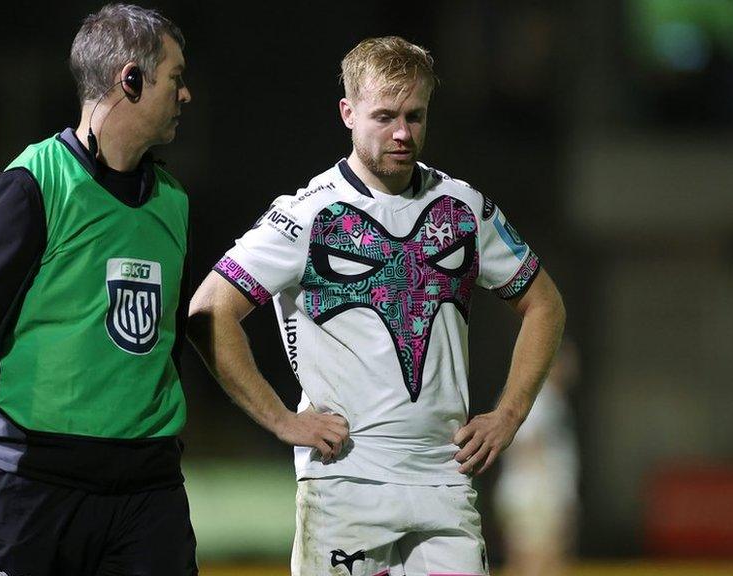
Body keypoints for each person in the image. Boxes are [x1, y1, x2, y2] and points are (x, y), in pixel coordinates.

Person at [188, 36, 566, 576]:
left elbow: (545, 304)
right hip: (345, 485)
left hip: (445, 482)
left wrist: (509, 416)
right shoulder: (307, 215)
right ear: (347, 113)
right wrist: (278, 420)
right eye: (384, 116)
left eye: (415, 116)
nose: (402, 133)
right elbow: (208, 311)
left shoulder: (464, 209)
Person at [0, 4, 197, 574]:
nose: (186, 95)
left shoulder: (175, 201)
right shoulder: (30, 185)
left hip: (148, 490)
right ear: (130, 80)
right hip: (31, 488)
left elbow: (163, 342)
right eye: (176, 78)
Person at [494, 338, 580, 576]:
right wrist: (550, 495)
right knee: (538, 564)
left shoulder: (552, 399)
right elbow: (524, 445)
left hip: (534, 495)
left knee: (534, 564)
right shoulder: (538, 399)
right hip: (537, 496)